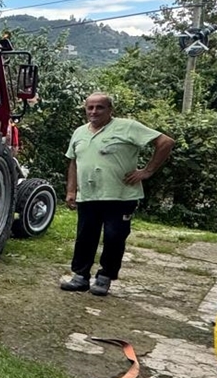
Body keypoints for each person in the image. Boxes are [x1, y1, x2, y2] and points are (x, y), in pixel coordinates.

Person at [60, 93, 173, 296]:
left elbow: (165, 142)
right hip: (88, 196)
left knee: (114, 237)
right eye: (90, 107)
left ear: (110, 110)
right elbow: (74, 162)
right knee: (85, 237)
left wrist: (147, 171)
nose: (94, 111)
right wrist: (71, 190)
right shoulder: (79, 132)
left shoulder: (127, 126)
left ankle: (105, 277)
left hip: (120, 196)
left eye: (100, 107)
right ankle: (80, 277)